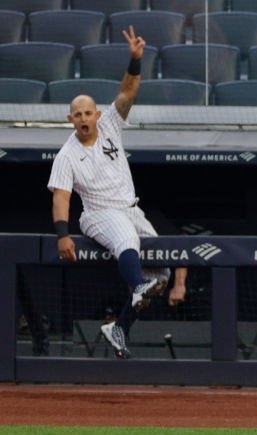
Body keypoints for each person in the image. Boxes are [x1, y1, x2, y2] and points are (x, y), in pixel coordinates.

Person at [47, 26, 166, 360]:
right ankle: (136, 286)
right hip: (98, 214)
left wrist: (136, 59)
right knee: (127, 242)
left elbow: (129, 91)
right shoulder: (66, 154)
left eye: (89, 112)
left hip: (130, 208)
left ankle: (120, 328)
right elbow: (60, 196)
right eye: (78, 115)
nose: (84, 118)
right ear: (70, 119)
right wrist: (62, 234)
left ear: (96, 114)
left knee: (161, 274)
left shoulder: (111, 123)